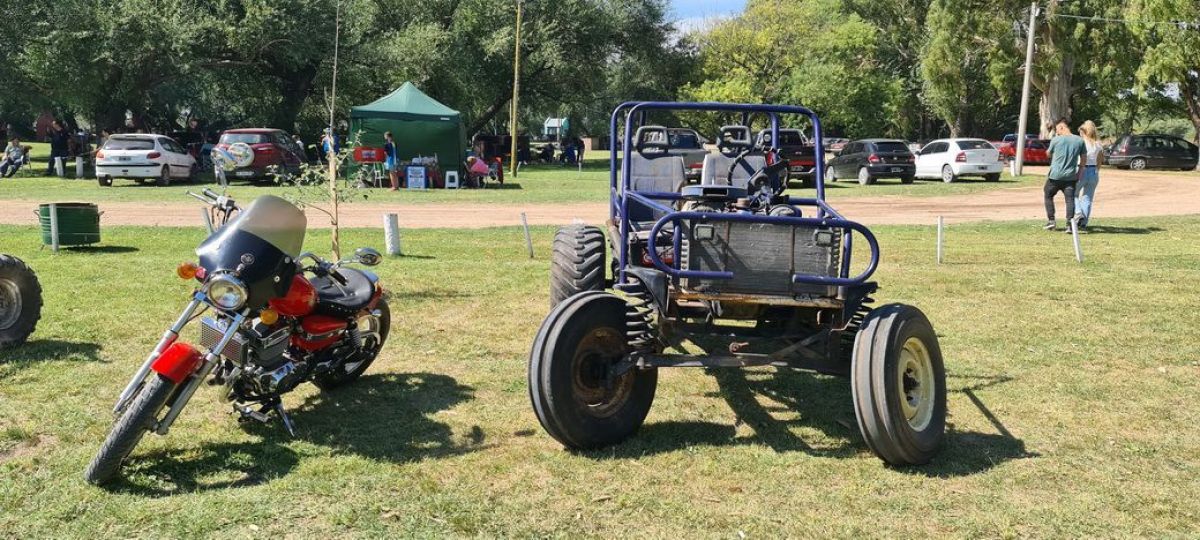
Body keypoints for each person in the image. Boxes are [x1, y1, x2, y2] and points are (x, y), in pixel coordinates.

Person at [1043, 118, 1087, 231]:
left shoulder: (1056, 140)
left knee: (1048, 195)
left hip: (1055, 176)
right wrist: (1080, 172)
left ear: (1062, 127)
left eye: (1057, 129)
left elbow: (1048, 154)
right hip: (1071, 176)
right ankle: (1070, 224)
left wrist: (1051, 153)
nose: (1057, 132)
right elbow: (1083, 159)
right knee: (1070, 199)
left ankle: (1051, 220)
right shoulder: (1079, 140)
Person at [1075, 120, 1103, 231]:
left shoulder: (1081, 143)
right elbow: (1100, 160)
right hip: (1093, 172)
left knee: (1073, 194)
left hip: (1081, 169)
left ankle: (1078, 213)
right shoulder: (1098, 144)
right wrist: (1096, 170)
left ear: (1083, 131)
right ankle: (1083, 223)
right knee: (1087, 198)